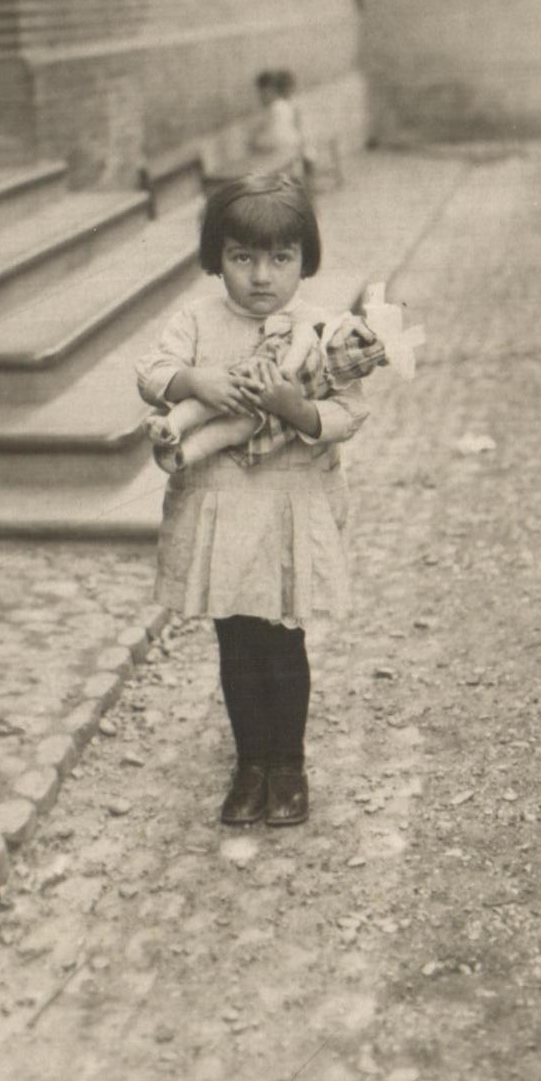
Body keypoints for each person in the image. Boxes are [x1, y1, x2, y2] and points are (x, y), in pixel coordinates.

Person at [134, 172, 370, 829]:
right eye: (242, 258)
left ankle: (288, 765)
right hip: (221, 503)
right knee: (235, 639)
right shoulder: (196, 319)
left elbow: (349, 413)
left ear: (303, 259)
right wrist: (195, 380)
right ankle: (250, 765)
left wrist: (293, 405)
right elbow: (149, 373)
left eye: (280, 258)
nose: (261, 276)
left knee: (281, 638)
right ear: (218, 258)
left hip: (287, 504)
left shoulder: (325, 327)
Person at [142, 307, 387, 473]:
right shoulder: (312, 333)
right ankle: (171, 425)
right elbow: (300, 343)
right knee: (212, 401)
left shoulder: (335, 379)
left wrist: (292, 406)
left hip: (268, 414)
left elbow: (347, 417)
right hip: (257, 376)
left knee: (234, 431)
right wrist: (288, 369)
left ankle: (182, 456)